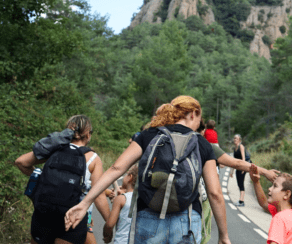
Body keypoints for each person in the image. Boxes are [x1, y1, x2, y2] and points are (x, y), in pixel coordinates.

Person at [65, 95, 231, 244]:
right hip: (186, 220)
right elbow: (215, 194)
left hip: (148, 217)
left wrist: (84, 204)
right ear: (193, 113)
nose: (198, 124)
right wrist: (223, 236)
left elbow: (117, 168)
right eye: (199, 119)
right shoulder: (202, 144)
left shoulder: (149, 135)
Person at [15, 115, 110, 244]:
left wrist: (43, 178)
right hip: (72, 218)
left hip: (43, 214)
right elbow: (98, 196)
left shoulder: (54, 149)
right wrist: (110, 223)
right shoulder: (93, 158)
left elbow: (21, 162)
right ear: (88, 134)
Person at [249, 164, 292, 244]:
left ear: (286, 195)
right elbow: (264, 204)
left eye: (275, 186)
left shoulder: (280, 218)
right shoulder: (291, 215)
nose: (269, 188)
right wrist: (256, 182)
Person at [103, 165, 139, 244]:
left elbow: (109, 225)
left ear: (130, 177)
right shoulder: (144, 200)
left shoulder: (121, 199)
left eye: (126, 174)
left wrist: (106, 236)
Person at [230, 134, 248, 207]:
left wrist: (243, 168)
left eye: (236, 139)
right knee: (239, 183)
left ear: (239, 140)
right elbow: (235, 161)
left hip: (242, 167)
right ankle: (241, 200)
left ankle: (241, 201)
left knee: (241, 183)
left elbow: (243, 158)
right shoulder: (235, 148)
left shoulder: (241, 146)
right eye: (234, 138)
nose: (235, 140)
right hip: (238, 168)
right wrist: (232, 171)